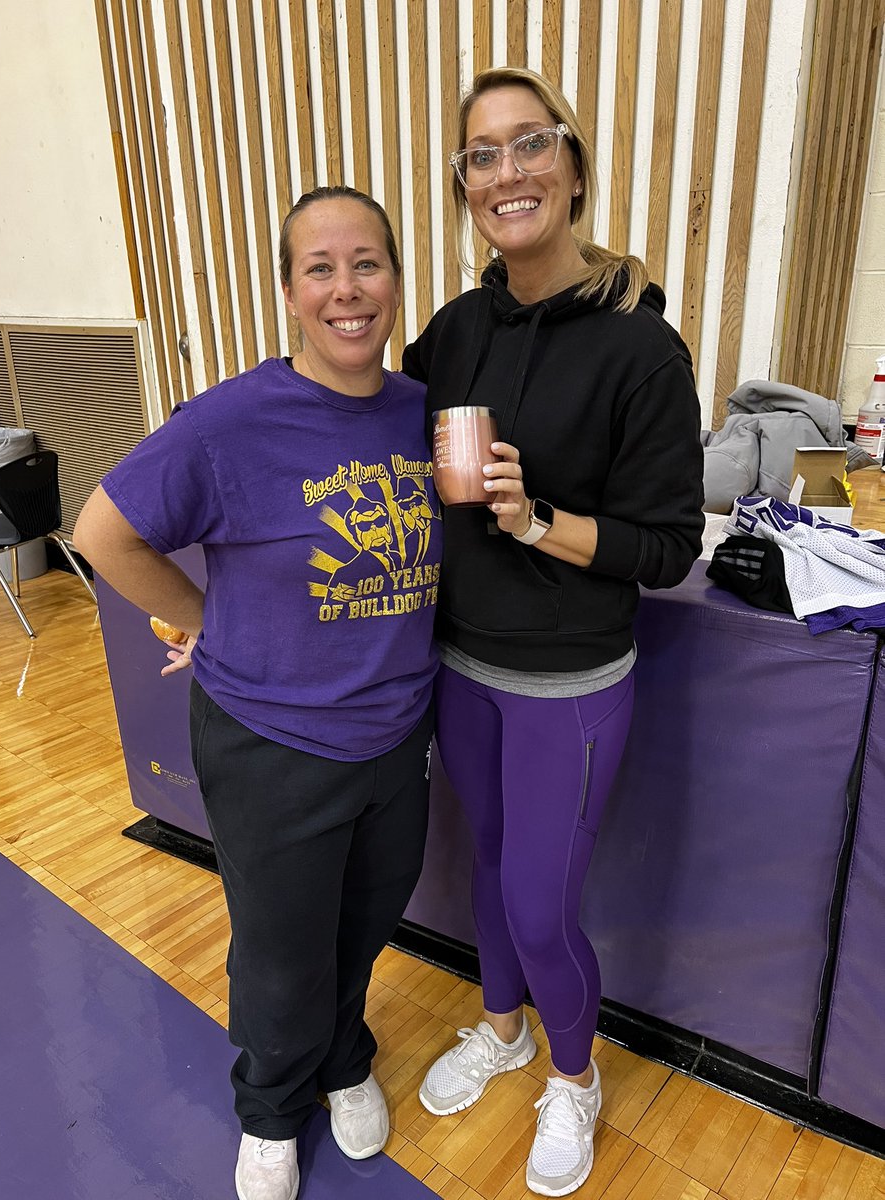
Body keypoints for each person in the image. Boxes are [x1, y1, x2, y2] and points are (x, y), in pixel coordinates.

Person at [74, 186, 442, 1200]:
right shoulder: (233, 420)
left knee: (364, 923)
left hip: (395, 733)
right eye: (319, 268)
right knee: (280, 953)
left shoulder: (424, 413)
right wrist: (200, 616)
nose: (346, 289)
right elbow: (104, 535)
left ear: (396, 282)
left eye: (367, 263)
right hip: (270, 742)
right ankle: (271, 1107)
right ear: (288, 292)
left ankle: (341, 1058)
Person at [403, 67, 704, 1197]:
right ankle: (504, 1028)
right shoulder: (454, 329)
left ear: (573, 168)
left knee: (539, 901)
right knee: (482, 868)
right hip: (460, 664)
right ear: (466, 188)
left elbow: (669, 546)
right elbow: (386, 454)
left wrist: (541, 522)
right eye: (481, 154)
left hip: (570, 683)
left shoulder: (640, 349)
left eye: (531, 144)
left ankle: (572, 1078)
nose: (507, 170)